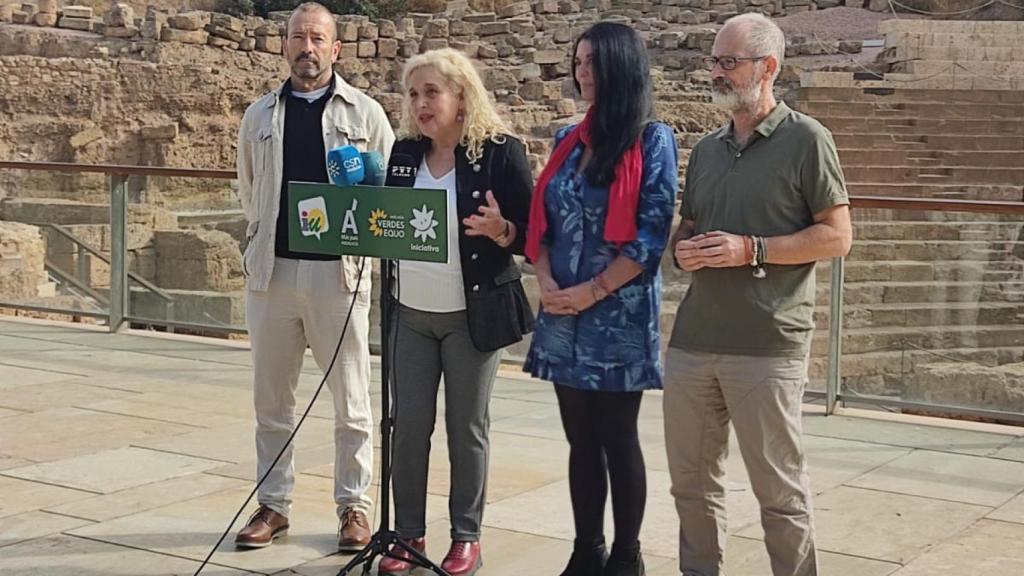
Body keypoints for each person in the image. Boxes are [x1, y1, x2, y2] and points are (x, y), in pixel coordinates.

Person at [664, 13, 852, 576]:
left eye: (729, 62)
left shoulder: (807, 139)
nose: (716, 73)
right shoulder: (707, 148)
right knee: (691, 488)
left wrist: (753, 250)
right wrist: (683, 249)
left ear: (767, 67)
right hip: (695, 341)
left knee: (779, 493)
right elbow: (688, 226)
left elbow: (837, 236)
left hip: (768, 343)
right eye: (715, 62)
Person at [233, 1, 394, 551]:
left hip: (338, 277)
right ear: (284, 45)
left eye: (317, 38)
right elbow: (249, 188)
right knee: (271, 400)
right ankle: (273, 506)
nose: (307, 47)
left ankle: (354, 507)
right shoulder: (259, 116)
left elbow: (384, 193)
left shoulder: (366, 113)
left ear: (336, 48)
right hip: (273, 273)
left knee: (352, 399)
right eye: (298, 37)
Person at [523, 22, 678, 576]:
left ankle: (626, 554)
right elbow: (542, 223)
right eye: (577, 61)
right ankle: (585, 548)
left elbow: (651, 234)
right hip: (563, 310)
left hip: (617, 314)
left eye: (591, 62)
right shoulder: (568, 136)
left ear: (620, 67)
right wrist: (543, 279)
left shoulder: (653, 139)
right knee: (578, 438)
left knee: (617, 436)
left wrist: (591, 290)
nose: (580, 72)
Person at [376, 48, 534, 576]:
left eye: (432, 93)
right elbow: (388, 223)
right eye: (414, 94)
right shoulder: (402, 155)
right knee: (408, 426)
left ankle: (467, 536)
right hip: (410, 315)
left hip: (474, 317)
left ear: (462, 96)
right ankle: (407, 533)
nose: (421, 104)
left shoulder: (499, 153)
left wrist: (503, 231)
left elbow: (534, 238)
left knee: (466, 428)